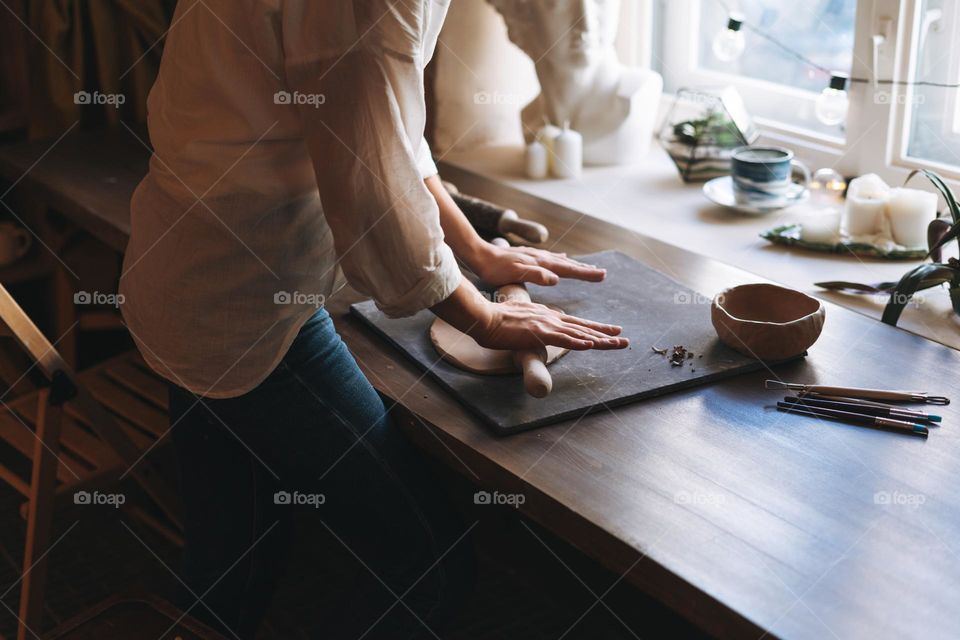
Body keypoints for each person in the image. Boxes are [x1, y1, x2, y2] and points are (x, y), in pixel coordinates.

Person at [119, 1, 629, 637]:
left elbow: (384, 129)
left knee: (234, 556)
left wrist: (475, 251)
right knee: (428, 562)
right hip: (251, 306)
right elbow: (370, 184)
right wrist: (484, 321)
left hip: (184, 285)